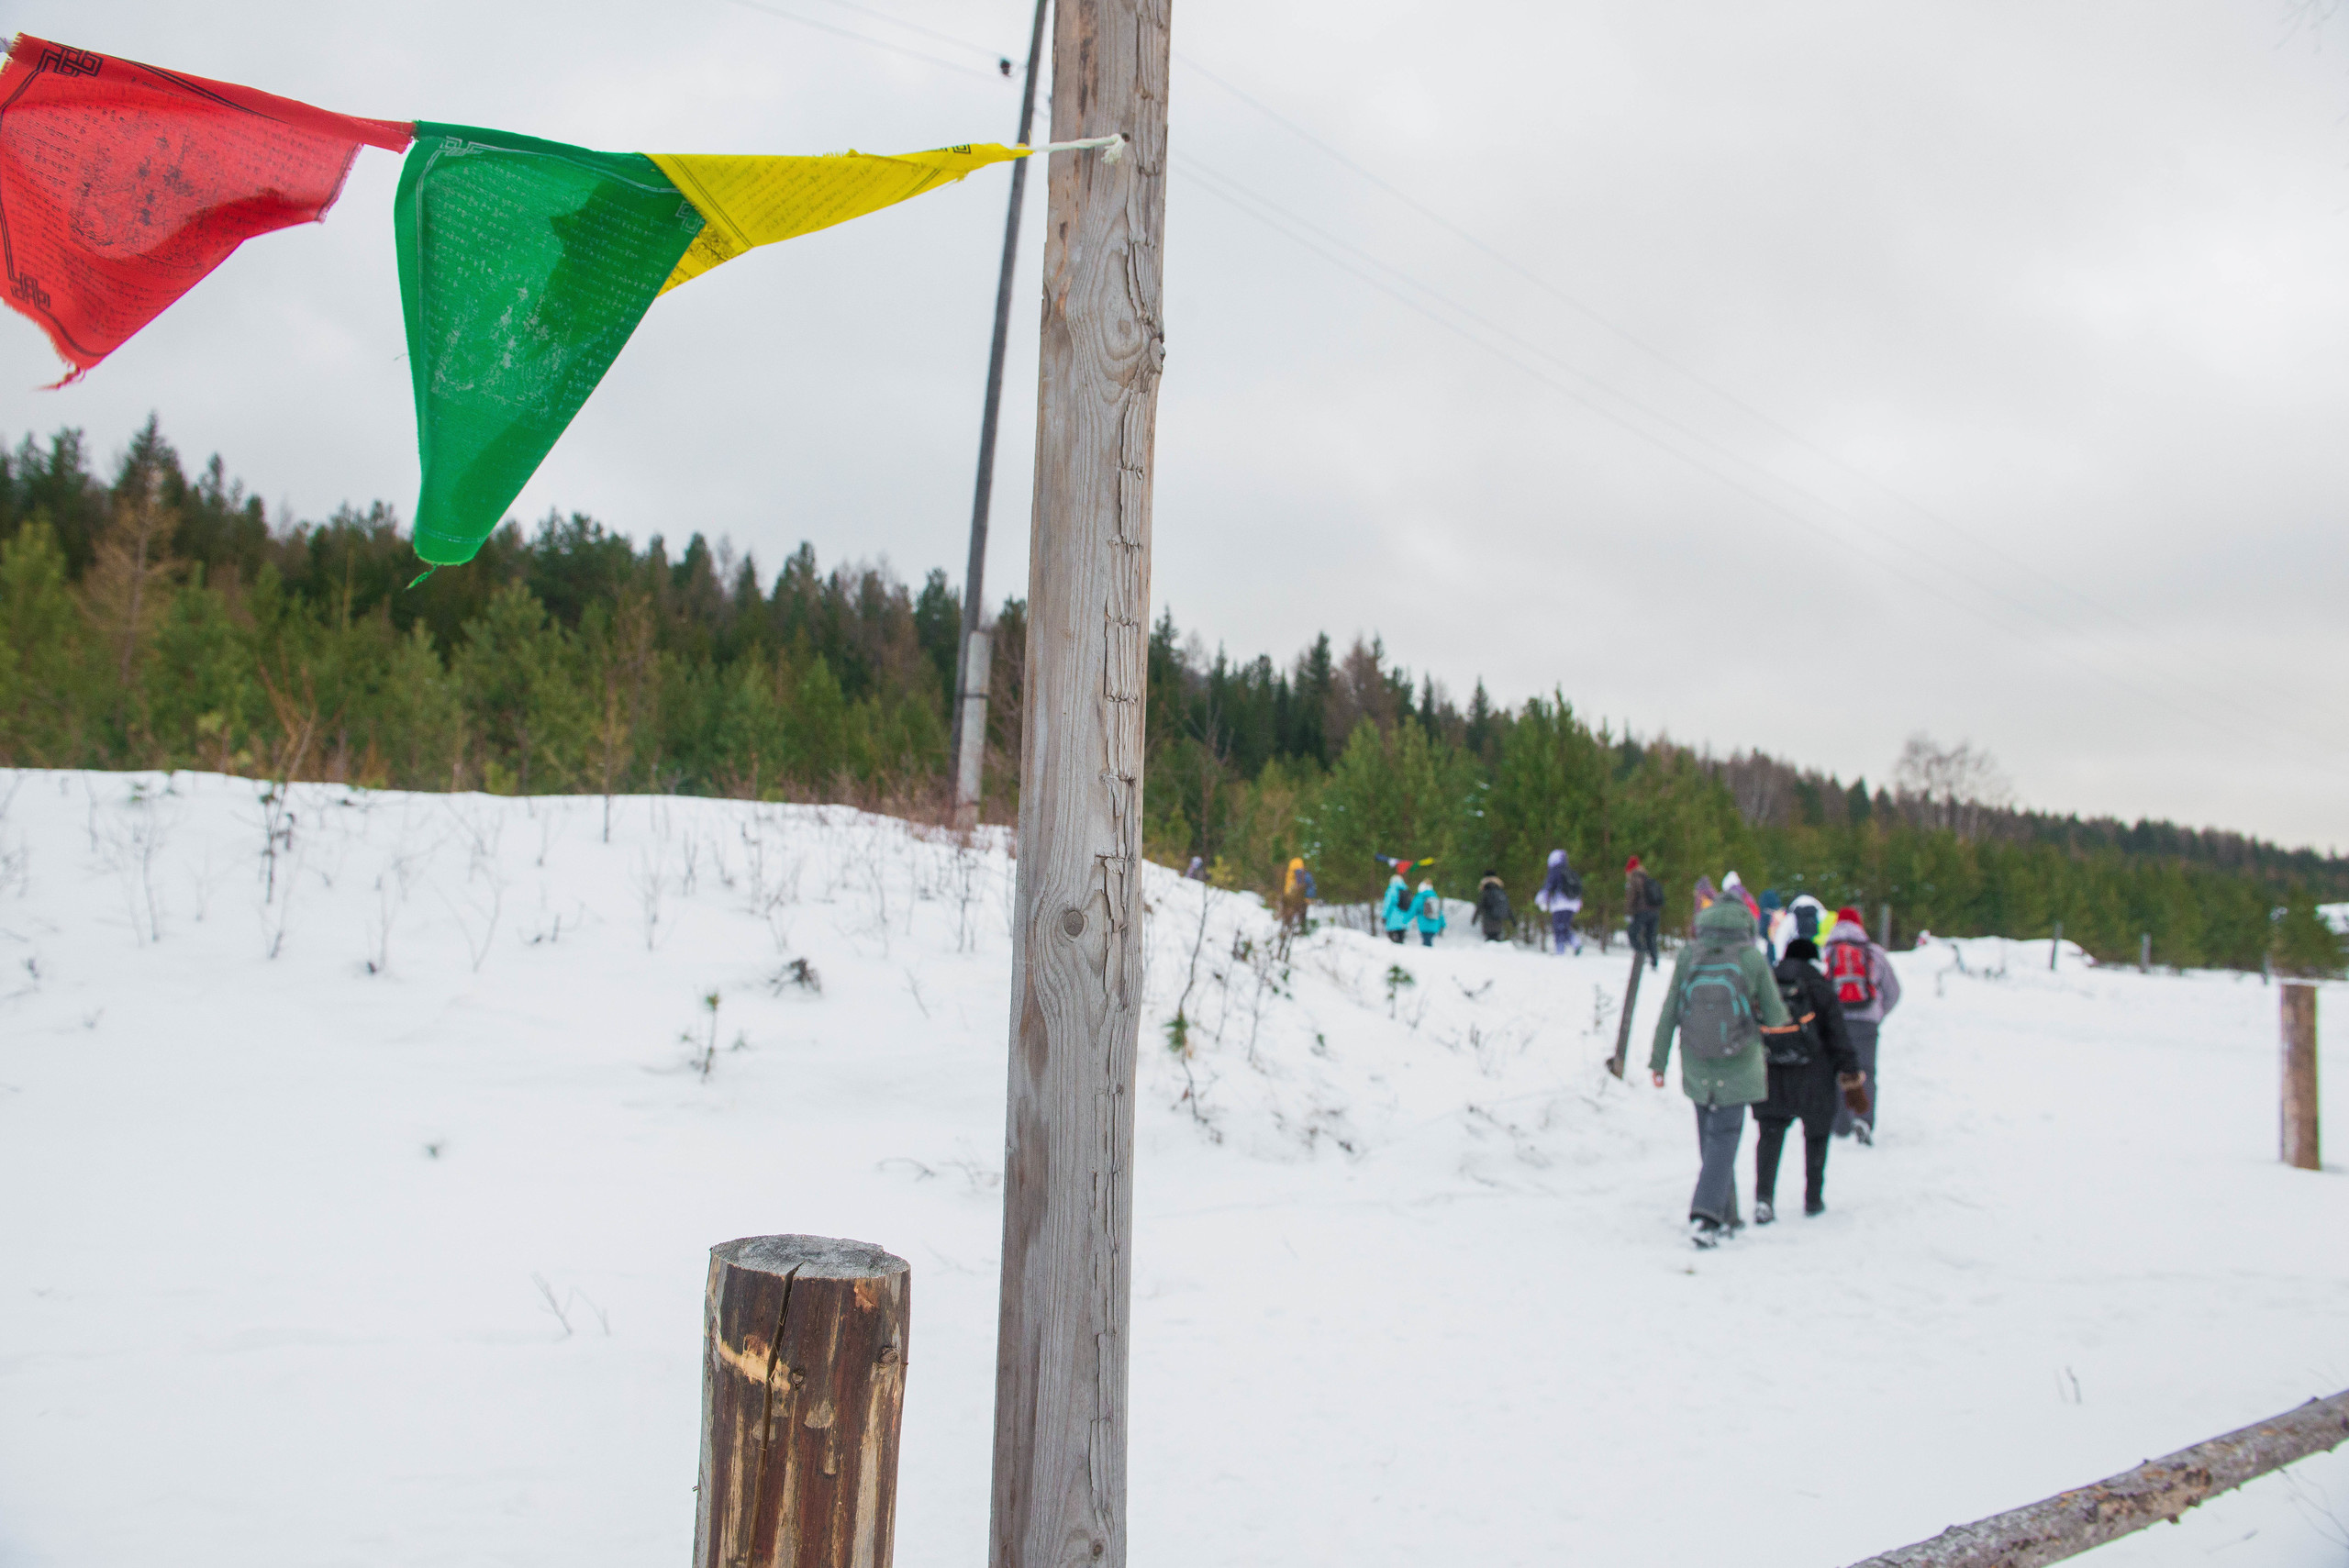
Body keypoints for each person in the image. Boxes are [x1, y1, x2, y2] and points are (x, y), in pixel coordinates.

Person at [1650, 895, 1796, 1246]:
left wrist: (1658, 1061)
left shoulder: (1690, 956)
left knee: (1710, 1138)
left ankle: (1726, 1214)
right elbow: (1776, 1016)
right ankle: (1707, 1216)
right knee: (1725, 1139)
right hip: (1739, 1060)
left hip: (1696, 1058)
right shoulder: (1751, 958)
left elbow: (1671, 1009)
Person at [1754, 937, 1866, 1220]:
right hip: (1815, 1076)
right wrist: (1850, 1073)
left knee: (1769, 1137)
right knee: (1816, 1137)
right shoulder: (1820, 986)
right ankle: (1813, 1199)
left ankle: (1764, 1199)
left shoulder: (1767, 981)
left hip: (1772, 1074)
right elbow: (1838, 1035)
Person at [1825, 905, 1902, 1142]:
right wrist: (1878, 1014)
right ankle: (1862, 1118)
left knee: (1838, 1069)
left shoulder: (1827, 952)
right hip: (1867, 1021)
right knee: (1865, 1071)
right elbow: (1894, 991)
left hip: (1837, 1021)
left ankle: (1840, 1124)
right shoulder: (1873, 952)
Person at [1533, 849, 1584, 954]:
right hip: (1573, 903)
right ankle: (1575, 943)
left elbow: (1549, 886)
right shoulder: (1570, 871)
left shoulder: (1555, 871)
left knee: (1558, 926)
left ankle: (1560, 950)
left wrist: (1542, 899)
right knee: (1564, 926)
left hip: (1559, 903)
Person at [1624, 857, 1664, 969]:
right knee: (1650, 936)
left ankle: (1641, 955)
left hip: (1642, 911)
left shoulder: (1634, 878)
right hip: (1655, 912)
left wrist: (1629, 913)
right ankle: (1654, 960)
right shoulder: (1645, 877)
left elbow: (1632, 898)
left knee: (1632, 932)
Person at [1279, 857, 1317, 931]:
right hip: (1298, 898)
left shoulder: (1294, 873)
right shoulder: (1302, 874)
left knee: (1291, 914)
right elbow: (1310, 886)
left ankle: (1290, 929)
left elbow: (1289, 886)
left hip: (1293, 898)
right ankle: (1300, 929)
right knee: (1301, 915)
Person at [1474, 870, 1512, 942]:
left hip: (1488, 920)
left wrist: (1474, 919)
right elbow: (1507, 906)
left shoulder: (1486, 890)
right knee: (1496, 940)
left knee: (1490, 941)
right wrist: (1513, 920)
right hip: (1498, 921)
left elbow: (1480, 905)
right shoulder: (1499, 889)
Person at [1379, 872, 1411, 945]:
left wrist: (1384, 916)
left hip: (1393, 918)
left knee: (1394, 941)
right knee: (1401, 939)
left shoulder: (1392, 890)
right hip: (1404, 919)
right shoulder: (1405, 889)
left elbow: (1388, 904)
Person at [1411, 880, 1446, 947]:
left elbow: (1413, 910)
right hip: (1434, 926)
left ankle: (1427, 955)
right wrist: (1443, 924)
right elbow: (1440, 913)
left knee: (1426, 944)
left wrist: (1404, 920)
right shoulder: (1435, 897)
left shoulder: (1420, 897)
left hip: (1423, 925)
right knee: (1428, 942)